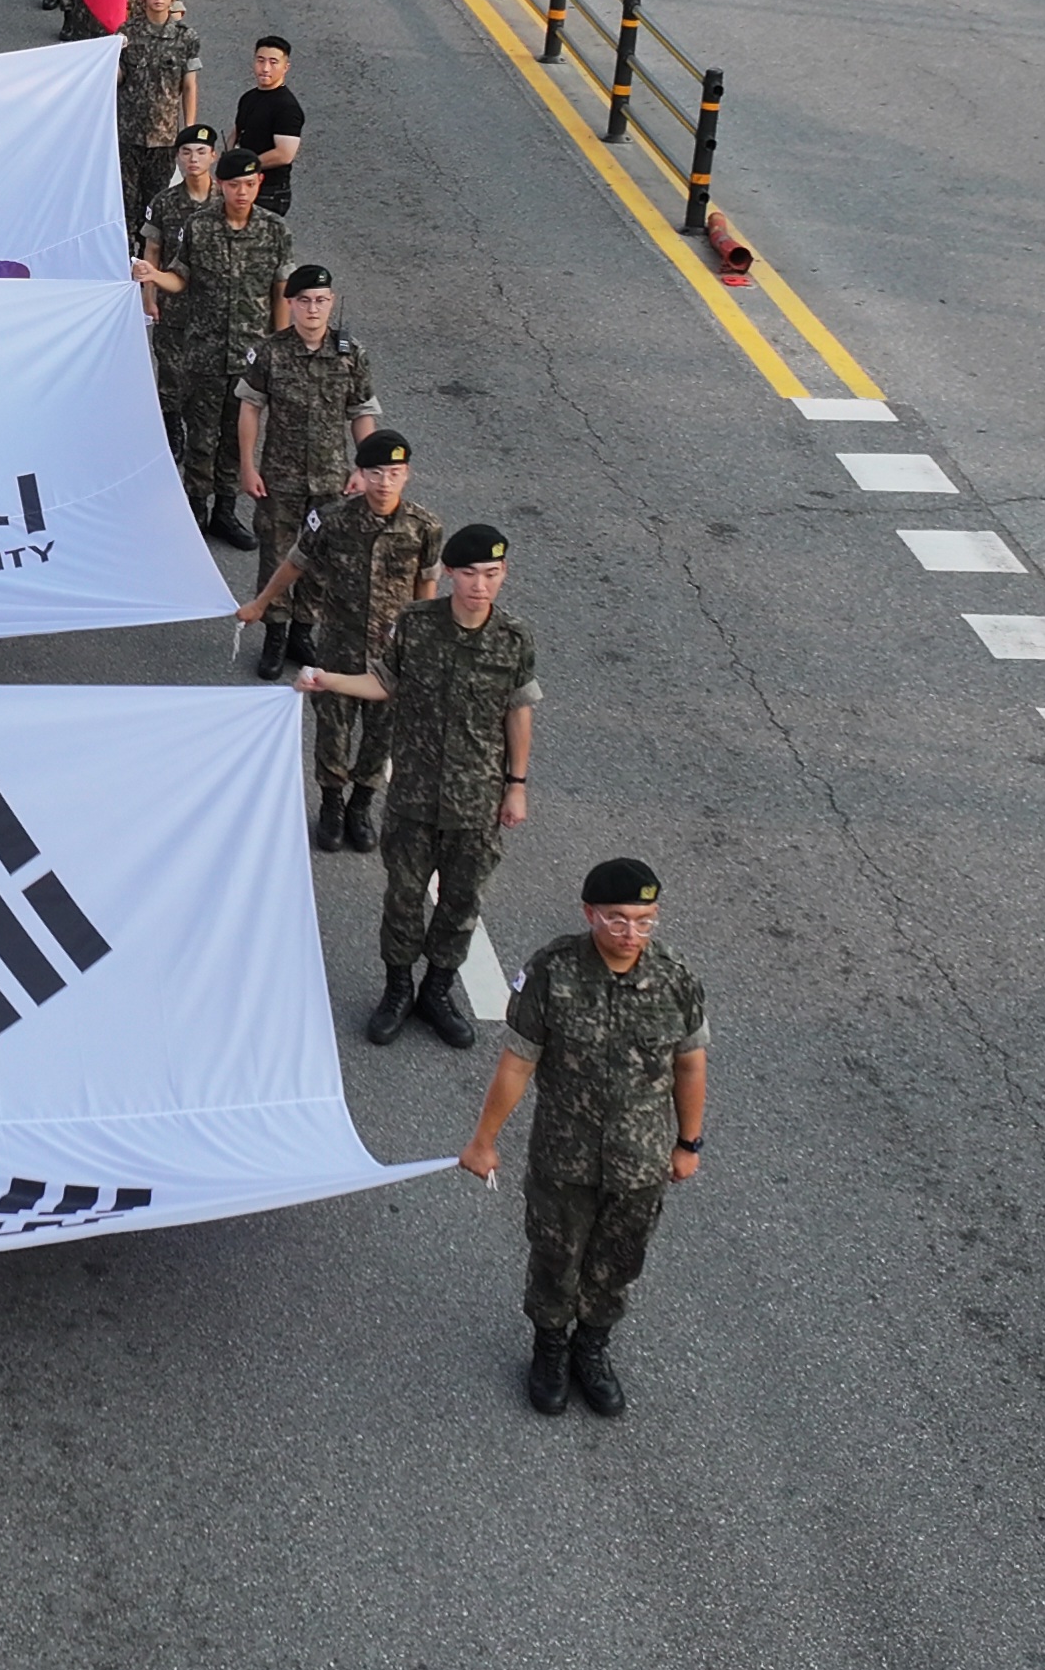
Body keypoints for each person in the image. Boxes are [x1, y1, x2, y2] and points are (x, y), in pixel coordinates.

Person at [459, 857, 707, 1419]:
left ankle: (591, 1348)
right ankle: (549, 1348)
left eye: (644, 920)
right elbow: (518, 1064)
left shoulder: (675, 979)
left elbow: (690, 1064)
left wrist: (688, 1143)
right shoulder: (552, 973)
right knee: (555, 1256)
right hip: (564, 1158)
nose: (630, 933)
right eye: (617, 919)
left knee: (618, 1260)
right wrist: (484, 1140)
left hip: (640, 1161)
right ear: (589, 914)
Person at [298, 520, 537, 1051]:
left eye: (492, 574)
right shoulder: (415, 623)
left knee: (460, 902)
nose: (480, 585)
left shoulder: (514, 639)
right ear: (449, 573)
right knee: (403, 899)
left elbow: (519, 713)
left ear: (504, 575)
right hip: (413, 797)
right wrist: (326, 679)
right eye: (470, 573)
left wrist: (516, 785)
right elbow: (384, 683)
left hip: (477, 802)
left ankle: (438, 989)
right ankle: (398, 990)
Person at [242, 428, 437, 851]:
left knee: (380, 736)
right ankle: (331, 805)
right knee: (334, 731)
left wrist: (426, 645)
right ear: (360, 474)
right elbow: (294, 564)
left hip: (393, 658)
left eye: (395, 473)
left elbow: (426, 590)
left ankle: (361, 805)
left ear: (408, 476)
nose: (384, 482)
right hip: (338, 650)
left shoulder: (424, 528)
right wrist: (261, 604)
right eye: (376, 473)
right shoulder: (333, 520)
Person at [146, 151, 291, 544]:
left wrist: (279, 348)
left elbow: (280, 292)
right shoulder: (199, 227)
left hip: (250, 355)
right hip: (204, 353)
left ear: (259, 183)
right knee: (201, 436)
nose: (241, 192)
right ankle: (195, 509)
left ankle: (225, 512)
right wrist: (154, 276)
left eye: (249, 184)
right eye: (233, 185)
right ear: (222, 186)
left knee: (236, 437)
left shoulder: (275, 231)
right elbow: (181, 279)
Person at [235, 263, 378, 652]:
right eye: (304, 301)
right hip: (280, 476)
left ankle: (303, 632)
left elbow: (361, 412)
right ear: (290, 304)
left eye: (320, 300)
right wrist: (247, 466)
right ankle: (275, 636)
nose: (313, 309)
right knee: (276, 555)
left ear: (331, 302)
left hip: (331, 478)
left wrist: (366, 468)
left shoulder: (351, 355)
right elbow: (250, 409)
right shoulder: (270, 353)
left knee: (320, 557)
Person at [117, 0, 200, 204]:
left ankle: (148, 243)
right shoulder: (126, 33)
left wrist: (190, 129)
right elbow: (119, 78)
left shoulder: (186, 37)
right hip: (128, 133)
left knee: (155, 202)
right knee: (125, 202)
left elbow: (189, 85)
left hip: (163, 136)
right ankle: (129, 242)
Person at [231, 36, 307, 217]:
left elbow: (284, 154)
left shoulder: (287, 107)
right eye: (260, 60)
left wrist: (245, 167)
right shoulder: (248, 98)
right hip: (242, 185)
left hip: (269, 191)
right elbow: (236, 132)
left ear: (285, 67)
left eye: (273, 62)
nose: (265, 68)